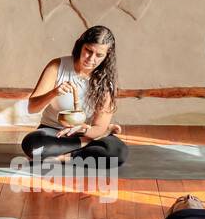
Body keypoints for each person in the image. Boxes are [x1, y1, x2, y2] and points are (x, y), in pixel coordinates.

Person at [22, 24, 127, 167]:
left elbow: (97, 128)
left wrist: (87, 131)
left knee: (117, 152)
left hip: (84, 132)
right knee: (32, 145)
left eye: (99, 55)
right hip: (54, 132)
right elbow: (32, 108)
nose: (91, 59)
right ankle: (84, 148)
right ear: (80, 46)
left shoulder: (106, 82)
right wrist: (53, 93)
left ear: (107, 56)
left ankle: (62, 158)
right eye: (88, 51)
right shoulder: (57, 66)